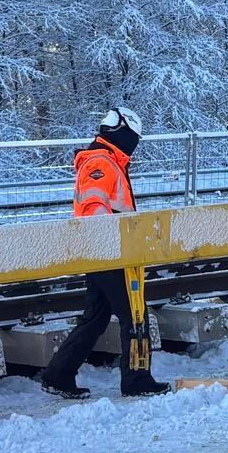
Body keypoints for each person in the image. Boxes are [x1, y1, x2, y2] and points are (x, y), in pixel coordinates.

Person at [39, 108, 172, 400]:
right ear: (123, 134)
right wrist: (110, 245)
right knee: (136, 315)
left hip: (103, 251)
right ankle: (137, 378)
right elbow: (93, 208)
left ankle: (58, 375)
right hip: (111, 252)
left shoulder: (108, 161)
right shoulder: (101, 163)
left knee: (96, 318)